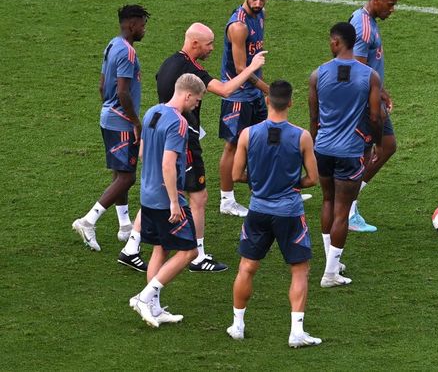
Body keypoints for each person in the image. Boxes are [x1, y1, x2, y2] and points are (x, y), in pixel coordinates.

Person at [142, 23, 267, 273]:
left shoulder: (168, 63)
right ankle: (197, 256)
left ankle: (133, 245)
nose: (212, 48)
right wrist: (252, 68)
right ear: (195, 43)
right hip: (183, 140)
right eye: (209, 43)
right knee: (198, 197)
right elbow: (225, 89)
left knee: (159, 193)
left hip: (164, 136)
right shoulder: (192, 70)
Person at [227, 80, 321, 348]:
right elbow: (313, 178)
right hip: (289, 212)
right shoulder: (302, 136)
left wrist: (257, 182)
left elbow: (235, 175)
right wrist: (292, 185)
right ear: (290, 102)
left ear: (268, 101)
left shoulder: (247, 134)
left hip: (257, 209)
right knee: (299, 270)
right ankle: (296, 332)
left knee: (247, 267)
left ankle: (237, 325)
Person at [309, 23, 382, 286]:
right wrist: (374, 142)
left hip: (323, 149)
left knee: (327, 201)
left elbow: (314, 119)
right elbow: (375, 115)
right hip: (350, 151)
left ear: (337, 42)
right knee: (343, 209)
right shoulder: (369, 75)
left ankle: (332, 261)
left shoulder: (317, 75)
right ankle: (330, 273)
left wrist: (313, 147)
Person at [129, 73, 206, 327]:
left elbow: (142, 152)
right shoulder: (179, 123)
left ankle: (155, 307)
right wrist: (174, 201)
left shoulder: (152, 112)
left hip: (147, 194)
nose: (197, 104)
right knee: (190, 251)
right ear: (187, 94)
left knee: (160, 248)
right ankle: (144, 297)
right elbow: (168, 163)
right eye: (196, 100)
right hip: (165, 200)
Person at [73, 4, 150, 258]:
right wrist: (135, 122)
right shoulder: (127, 52)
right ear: (131, 25)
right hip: (121, 122)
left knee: (120, 174)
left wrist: (109, 108)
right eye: (141, 24)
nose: (143, 28)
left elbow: (101, 85)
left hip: (108, 116)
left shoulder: (112, 44)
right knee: (127, 178)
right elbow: (123, 91)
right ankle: (88, 221)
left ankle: (125, 225)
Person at [347, 0, 399, 232]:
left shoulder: (365, 19)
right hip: (364, 102)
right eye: (390, 4)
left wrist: (383, 92)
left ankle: (350, 201)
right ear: (376, 0)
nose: (393, 9)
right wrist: (375, 101)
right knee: (372, 151)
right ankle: (348, 207)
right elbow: (358, 70)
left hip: (372, 96)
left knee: (385, 147)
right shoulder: (364, 28)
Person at [218, 0, 271, 217]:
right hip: (237, 95)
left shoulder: (260, 14)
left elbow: (256, 57)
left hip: (253, 92)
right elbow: (241, 69)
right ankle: (226, 200)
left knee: (260, 141)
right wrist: (267, 89)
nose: (258, 3)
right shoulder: (238, 26)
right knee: (232, 146)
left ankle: (265, 191)